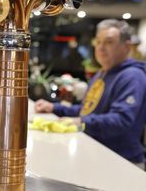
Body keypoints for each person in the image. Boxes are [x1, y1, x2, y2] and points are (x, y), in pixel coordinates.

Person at [35, 19, 146, 169]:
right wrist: (54, 108)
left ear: (126, 46)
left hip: (123, 163)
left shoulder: (132, 76)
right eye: (98, 41)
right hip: (98, 157)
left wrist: (81, 122)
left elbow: (121, 120)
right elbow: (86, 110)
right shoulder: (101, 73)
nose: (100, 47)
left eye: (108, 42)